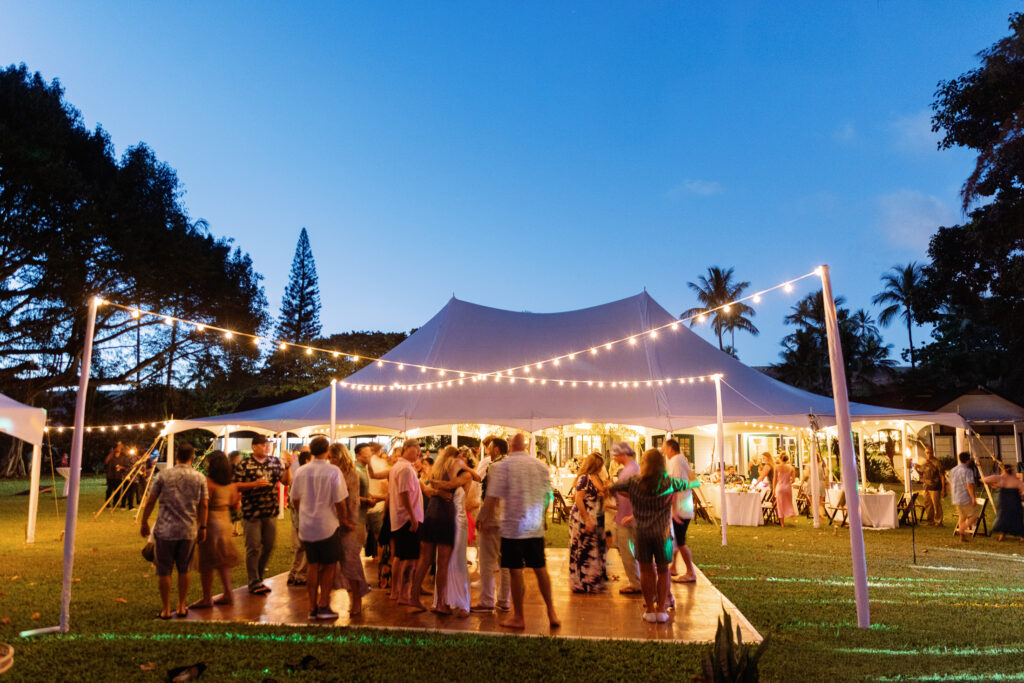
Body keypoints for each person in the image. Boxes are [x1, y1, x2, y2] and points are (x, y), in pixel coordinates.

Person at [610, 448, 703, 624]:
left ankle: (650, 610)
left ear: (644, 463)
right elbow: (693, 484)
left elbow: (613, 487)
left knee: (645, 571)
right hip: (663, 534)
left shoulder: (634, 481)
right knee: (663, 570)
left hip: (642, 533)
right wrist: (690, 473)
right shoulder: (669, 482)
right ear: (661, 464)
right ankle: (661, 610)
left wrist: (631, 495)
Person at [477, 433, 560, 630]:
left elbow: (492, 497)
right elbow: (548, 495)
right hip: (533, 526)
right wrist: (541, 517)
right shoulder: (540, 466)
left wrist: (482, 518)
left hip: (513, 527)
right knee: (541, 570)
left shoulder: (503, 466)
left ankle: (519, 616)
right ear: (524, 446)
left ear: (510, 447)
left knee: (515, 572)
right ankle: (551, 612)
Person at [139, 442, 208, 620]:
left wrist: (144, 522)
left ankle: (166, 609)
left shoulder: (163, 475)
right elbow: (204, 504)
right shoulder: (199, 477)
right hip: (188, 530)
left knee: (164, 570)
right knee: (184, 569)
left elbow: (151, 500)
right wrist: (203, 526)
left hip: (165, 530)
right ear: (192, 458)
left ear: (177, 457)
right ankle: (182, 606)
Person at [290, 436, 350, 620]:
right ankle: (323, 605)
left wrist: (304, 514)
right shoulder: (333, 471)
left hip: (307, 526)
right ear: (327, 451)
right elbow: (340, 502)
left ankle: (311, 607)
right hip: (327, 525)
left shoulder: (301, 471)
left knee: (313, 565)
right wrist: (345, 520)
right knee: (330, 566)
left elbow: (295, 498)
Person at [234, 434, 292, 595]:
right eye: (264, 445)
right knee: (253, 547)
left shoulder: (274, 462)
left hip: (270, 511)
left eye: (269, 445)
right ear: (254, 447)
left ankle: (258, 576)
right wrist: (253, 484)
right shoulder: (245, 464)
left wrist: (287, 468)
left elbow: (286, 482)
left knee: (268, 545)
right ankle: (254, 582)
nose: (268, 448)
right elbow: (235, 485)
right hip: (251, 512)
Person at [429, 446, 481, 617]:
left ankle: (461, 601)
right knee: (444, 561)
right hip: (447, 519)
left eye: (460, 460)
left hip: (459, 520)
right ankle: (442, 600)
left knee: (458, 561)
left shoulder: (466, 475)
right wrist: (435, 486)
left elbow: (451, 485)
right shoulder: (449, 472)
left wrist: (435, 485)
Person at [409, 445, 460, 613]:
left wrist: (437, 489)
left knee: (425, 559)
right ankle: (441, 603)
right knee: (443, 563)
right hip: (444, 516)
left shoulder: (436, 467)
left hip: (431, 514)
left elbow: (430, 487)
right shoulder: (454, 465)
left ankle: (414, 596)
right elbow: (452, 484)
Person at [190, 450, 240, 608]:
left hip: (211, 522)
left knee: (207, 562)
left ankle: (206, 598)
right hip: (226, 521)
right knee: (222, 561)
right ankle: (228, 593)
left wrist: (201, 524)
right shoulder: (231, 484)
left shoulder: (208, 483)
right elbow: (234, 504)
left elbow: (203, 503)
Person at [327, 443, 371, 615]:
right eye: (329, 457)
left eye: (332, 457)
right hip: (333, 523)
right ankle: (329, 601)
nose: (330, 460)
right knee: (336, 564)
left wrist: (347, 522)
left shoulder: (351, 474)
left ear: (340, 457)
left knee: (351, 562)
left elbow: (352, 501)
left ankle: (357, 600)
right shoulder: (331, 473)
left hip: (351, 524)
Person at [471, 436, 512, 613]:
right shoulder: (513, 466)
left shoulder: (495, 466)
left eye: (489, 449)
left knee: (487, 562)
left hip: (494, 519)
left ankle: (487, 600)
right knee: (506, 563)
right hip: (509, 520)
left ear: (496, 450)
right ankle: (504, 600)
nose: (488, 452)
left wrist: (482, 517)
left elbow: (491, 495)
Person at [389, 439, 425, 605]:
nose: (418, 452)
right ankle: (404, 593)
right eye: (415, 448)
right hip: (407, 519)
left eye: (419, 449)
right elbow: (404, 494)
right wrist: (412, 516)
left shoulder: (399, 466)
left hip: (399, 517)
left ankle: (395, 592)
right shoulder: (404, 468)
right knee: (410, 559)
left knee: (400, 556)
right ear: (406, 449)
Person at [568, 452, 607, 593]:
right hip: (582, 517)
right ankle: (581, 583)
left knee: (593, 549)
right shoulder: (584, 478)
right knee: (582, 548)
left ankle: (592, 582)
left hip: (594, 516)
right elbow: (578, 499)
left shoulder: (596, 477)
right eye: (600, 465)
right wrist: (587, 520)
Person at [609, 442, 642, 595]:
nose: (614, 458)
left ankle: (636, 583)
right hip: (625, 515)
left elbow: (634, 494)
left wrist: (614, 488)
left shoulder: (631, 470)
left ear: (622, 454)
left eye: (615, 454)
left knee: (628, 551)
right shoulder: (630, 469)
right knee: (628, 550)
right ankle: (636, 580)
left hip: (628, 518)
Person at [663, 439, 696, 583]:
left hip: (681, 507)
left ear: (671, 449)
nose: (663, 451)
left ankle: (690, 572)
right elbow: (691, 477)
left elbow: (674, 486)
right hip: (685, 503)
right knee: (675, 537)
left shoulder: (676, 460)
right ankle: (674, 567)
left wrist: (673, 509)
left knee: (680, 540)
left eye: (664, 448)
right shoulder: (681, 459)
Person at [286, 449, 313, 586]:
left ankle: (293, 573)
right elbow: (294, 499)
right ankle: (301, 575)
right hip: (303, 517)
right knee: (306, 548)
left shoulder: (298, 474)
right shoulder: (304, 475)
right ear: (308, 461)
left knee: (300, 548)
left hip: (297, 518)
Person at [982, 463, 1024, 541]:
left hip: (1004, 502)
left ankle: (1002, 535)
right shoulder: (1015, 479)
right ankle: (1021, 536)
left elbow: (983, 479)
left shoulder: (1000, 478)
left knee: (1003, 517)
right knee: (1016, 518)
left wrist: (993, 484)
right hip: (1014, 501)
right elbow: (1022, 490)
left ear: (1003, 470)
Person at [364, 442, 389, 558]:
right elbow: (386, 486)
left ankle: (379, 564)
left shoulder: (363, 464)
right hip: (380, 506)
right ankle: (383, 567)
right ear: (379, 451)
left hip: (367, 505)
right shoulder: (381, 463)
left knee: (376, 537)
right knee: (382, 539)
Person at [949, 451, 980, 542]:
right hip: (965, 497)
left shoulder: (953, 470)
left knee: (962, 516)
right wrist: (973, 498)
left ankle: (962, 536)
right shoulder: (968, 471)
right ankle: (962, 529)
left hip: (956, 496)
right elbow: (969, 485)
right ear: (968, 460)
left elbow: (950, 483)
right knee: (975, 515)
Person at [918, 446, 946, 526]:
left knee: (936, 505)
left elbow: (942, 475)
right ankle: (930, 521)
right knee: (928, 505)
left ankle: (938, 521)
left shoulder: (937, 462)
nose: (929, 454)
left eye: (930, 452)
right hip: (926, 486)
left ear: (933, 453)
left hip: (935, 487)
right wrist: (917, 469)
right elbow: (923, 474)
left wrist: (943, 488)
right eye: (927, 452)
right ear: (925, 453)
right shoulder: (924, 462)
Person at [774, 454, 797, 526]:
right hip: (787, 487)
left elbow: (774, 479)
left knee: (780, 504)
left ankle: (782, 524)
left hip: (780, 487)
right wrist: (788, 481)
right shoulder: (791, 468)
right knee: (789, 503)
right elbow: (793, 480)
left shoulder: (777, 467)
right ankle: (792, 519)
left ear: (780, 458)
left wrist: (773, 489)